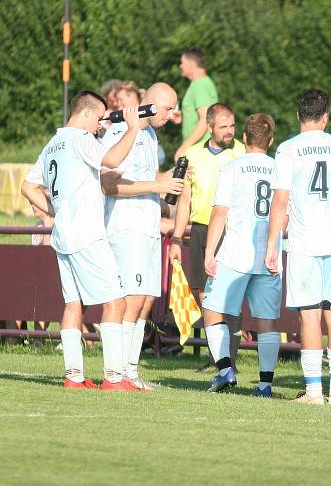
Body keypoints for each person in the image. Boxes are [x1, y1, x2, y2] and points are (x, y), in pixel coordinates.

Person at [21, 91, 141, 390]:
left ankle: (73, 377)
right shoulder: (79, 138)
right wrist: (134, 128)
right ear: (87, 113)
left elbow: (27, 186)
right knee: (116, 301)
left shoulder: (52, 145)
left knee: (74, 304)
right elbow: (111, 159)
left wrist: (56, 211)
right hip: (87, 233)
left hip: (63, 234)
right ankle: (115, 378)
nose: (100, 126)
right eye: (99, 118)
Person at [265, 89, 331, 405]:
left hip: (303, 243)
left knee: (309, 317)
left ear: (298, 115)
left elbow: (280, 201)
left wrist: (271, 246)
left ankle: (313, 392)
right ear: (326, 117)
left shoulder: (287, 149)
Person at [100, 83, 183, 391]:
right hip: (126, 227)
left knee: (146, 299)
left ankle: (130, 372)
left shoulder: (150, 135)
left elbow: (149, 181)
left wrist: (171, 178)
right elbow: (108, 185)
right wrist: (156, 186)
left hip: (147, 228)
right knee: (131, 301)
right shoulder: (121, 130)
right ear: (150, 104)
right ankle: (116, 374)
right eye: (168, 108)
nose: (172, 114)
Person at [203, 114, 284, 397]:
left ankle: (225, 369)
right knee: (267, 321)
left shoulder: (232, 166)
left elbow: (220, 211)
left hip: (235, 253)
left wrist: (209, 252)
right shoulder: (279, 169)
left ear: (245, 139)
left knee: (213, 309)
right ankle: (265, 385)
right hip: (269, 255)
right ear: (271, 141)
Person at [169, 103, 246, 370]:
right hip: (201, 229)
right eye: (223, 127)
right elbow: (185, 200)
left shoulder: (241, 152)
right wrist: (177, 239)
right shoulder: (193, 155)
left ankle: (229, 360)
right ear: (210, 127)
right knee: (204, 295)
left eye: (232, 125)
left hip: (230, 230)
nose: (229, 131)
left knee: (230, 295)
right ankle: (217, 359)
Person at [175, 47, 218, 161]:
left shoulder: (200, 85)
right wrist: (183, 116)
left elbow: (205, 119)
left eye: (182, 62)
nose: (180, 66)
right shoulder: (203, 83)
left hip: (200, 151)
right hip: (201, 149)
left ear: (191, 63)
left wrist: (184, 147)